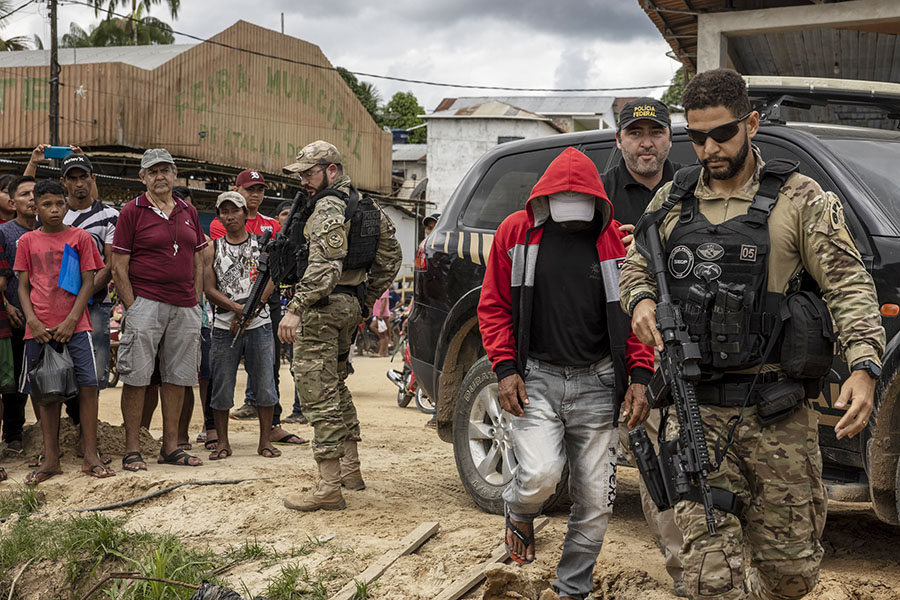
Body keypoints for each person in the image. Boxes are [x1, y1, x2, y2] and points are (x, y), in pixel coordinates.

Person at [620, 69, 885, 600]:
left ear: (752, 124)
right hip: (695, 411)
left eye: (722, 134)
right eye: (696, 137)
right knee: (710, 577)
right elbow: (635, 265)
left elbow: (849, 284)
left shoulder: (800, 198)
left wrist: (865, 365)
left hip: (777, 414)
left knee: (790, 575)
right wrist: (642, 300)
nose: (709, 148)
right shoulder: (671, 201)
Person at [478, 146, 655, 600]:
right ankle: (518, 508)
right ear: (544, 200)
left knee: (596, 499)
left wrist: (639, 376)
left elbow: (636, 316)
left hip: (597, 382)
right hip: (535, 377)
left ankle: (571, 588)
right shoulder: (515, 235)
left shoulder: (616, 240)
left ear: (599, 202)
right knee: (540, 476)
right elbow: (494, 305)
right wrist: (505, 368)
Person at [279, 140, 402, 511]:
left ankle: (329, 487)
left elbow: (325, 265)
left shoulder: (330, 205)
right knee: (335, 384)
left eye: (309, 172)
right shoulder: (367, 206)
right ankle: (351, 470)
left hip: (321, 308)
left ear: (332, 170)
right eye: (300, 173)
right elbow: (391, 258)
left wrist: (296, 307)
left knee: (318, 394)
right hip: (347, 304)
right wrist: (365, 298)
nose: (303, 180)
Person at [601, 98, 687, 597]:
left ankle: (692, 568)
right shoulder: (599, 195)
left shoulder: (691, 187)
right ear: (619, 141)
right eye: (635, 134)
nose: (646, 142)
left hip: (680, 342)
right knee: (631, 457)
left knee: (681, 455)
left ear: (669, 139)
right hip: (614, 344)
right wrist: (614, 243)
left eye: (655, 132)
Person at [111, 148, 208, 471]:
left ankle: (170, 447)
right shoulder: (132, 211)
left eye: (165, 170)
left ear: (174, 173)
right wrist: (132, 306)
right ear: (143, 178)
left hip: (184, 305)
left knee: (177, 377)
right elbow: (118, 265)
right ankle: (132, 449)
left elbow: (197, 256)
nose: (160, 176)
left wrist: (195, 299)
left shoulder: (187, 210)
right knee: (137, 377)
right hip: (146, 303)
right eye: (153, 172)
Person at [16, 180, 112, 484]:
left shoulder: (80, 237)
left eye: (59, 203)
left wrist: (72, 319)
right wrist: (32, 320)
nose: (54, 209)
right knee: (45, 393)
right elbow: (22, 285)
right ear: (36, 208)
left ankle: (90, 456)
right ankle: (51, 460)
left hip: (77, 326)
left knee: (88, 387)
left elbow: (88, 282)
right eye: (47, 204)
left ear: (66, 205)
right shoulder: (27, 241)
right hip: (40, 329)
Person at [210, 171, 305, 445]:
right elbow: (213, 279)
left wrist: (253, 308)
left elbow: (274, 269)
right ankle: (219, 435)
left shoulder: (271, 226)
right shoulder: (218, 232)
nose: (255, 194)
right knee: (222, 377)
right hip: (228, 311)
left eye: (260, 189)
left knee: (268, 370)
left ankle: (271, 429)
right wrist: (239, 310)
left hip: (265, 303)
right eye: (250, 189)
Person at [204, 191, 281, 460]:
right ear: (219, 217)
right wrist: (237, 309)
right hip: (226, 327)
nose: (230, 216)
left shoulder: (262, 245)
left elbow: (272, 277)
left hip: (259, 325)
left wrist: (252, 309)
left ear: (243, 212)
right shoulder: (213, 248)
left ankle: (265, 442)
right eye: (224, 212)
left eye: (234, 210)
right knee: (222, 385)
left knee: (265, 384)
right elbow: (208, 288)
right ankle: (223, 442)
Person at [0, 176, 36, 460]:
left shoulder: (54, 230)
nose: (33, 199)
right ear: (13, 202)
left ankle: (59, 432)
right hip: (13, 318)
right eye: (25, 195)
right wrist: (7, 305)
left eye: (38, 193)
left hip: (47, 318)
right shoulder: (5, 233)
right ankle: (13, 435)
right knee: (13, 385)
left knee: (50, 379)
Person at [370, 289, 392, 357]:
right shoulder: (382, 289)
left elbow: (384, 301)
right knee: (384, 333)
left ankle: (381, 352)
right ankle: (385, 352)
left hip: (382, 314)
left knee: (383, 334)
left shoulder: (384, 289)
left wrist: (381, 313)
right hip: (380, 314)